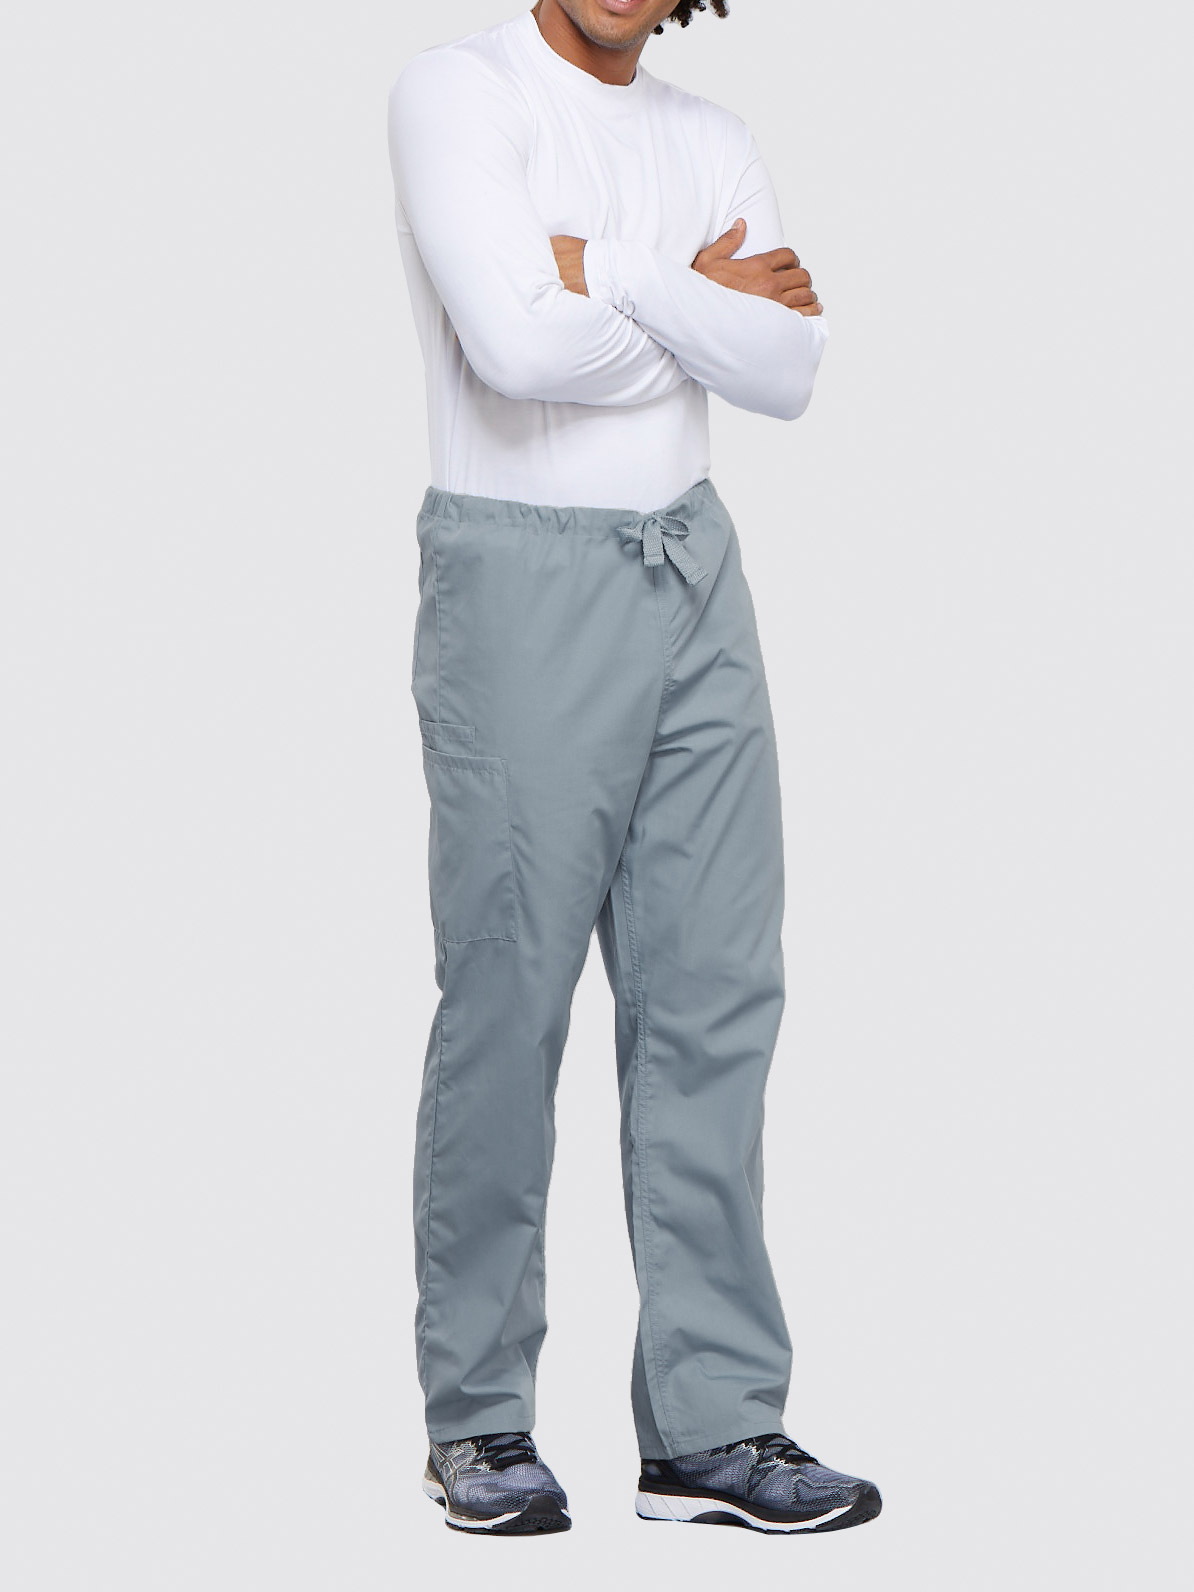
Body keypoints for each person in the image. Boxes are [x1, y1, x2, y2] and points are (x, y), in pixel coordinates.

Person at [386, 0, 881, 1536]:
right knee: (510, 993)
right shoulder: (459, 93)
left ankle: (711, 1427)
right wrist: (695, 295)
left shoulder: (710, 137)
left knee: (716, 995)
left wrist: (601, 268)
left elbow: (786, 369)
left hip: (693, 570)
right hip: (519, 577)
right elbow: (511, 346)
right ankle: (477, 1419)